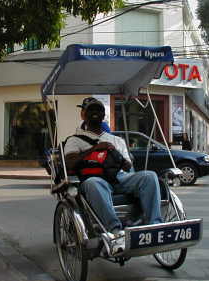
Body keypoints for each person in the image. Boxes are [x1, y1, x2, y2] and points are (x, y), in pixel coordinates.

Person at [64, 98, 162, 255]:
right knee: (94, 183)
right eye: (91, 111)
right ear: (83, 115)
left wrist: (116, 156)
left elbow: (128, 166)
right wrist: (95, 149)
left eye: (98, 111)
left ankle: (155, 226)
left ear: (103, 116)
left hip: (120, 178)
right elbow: (70, 163)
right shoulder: (74, 140)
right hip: (95, 180)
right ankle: (115, 231)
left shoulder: (117, 140)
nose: (95, 113)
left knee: (150, 176)